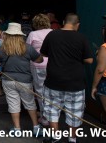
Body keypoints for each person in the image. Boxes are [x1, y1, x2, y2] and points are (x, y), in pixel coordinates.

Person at [40, 13, 93, 143]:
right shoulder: (81, 38)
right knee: (74, 111)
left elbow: (43, 53)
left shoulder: (52, 35)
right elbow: (89, 60)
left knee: (52, 109)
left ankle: (55, 137)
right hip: (75, 82)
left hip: (53, 79)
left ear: (64, 21)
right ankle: (72, 139)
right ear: (77, 24)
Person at [0, 23, 44, 137]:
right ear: (20, 35)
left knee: (13, 104)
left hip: (8, 80)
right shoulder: (27, 48)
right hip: (25, 81)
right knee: (30, 104)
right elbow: (39, 60)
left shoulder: (2, 48)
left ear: (8, 35)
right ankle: (36, 127)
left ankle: (17, 129)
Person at [26, 13, 52, 126]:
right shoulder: (53, 32)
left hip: (37, 65)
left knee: (40, 91)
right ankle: (52, 116)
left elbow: (27, 49)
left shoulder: (33, 34)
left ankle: (44, 117)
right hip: (52, 65)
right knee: (51, 91)